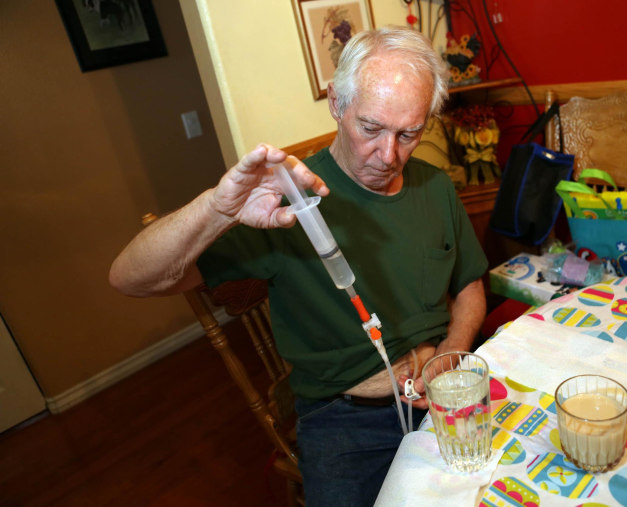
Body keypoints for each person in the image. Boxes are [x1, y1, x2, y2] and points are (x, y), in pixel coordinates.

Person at [110, 25, 487, 506]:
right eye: (370, 128)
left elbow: (471, 286)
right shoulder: (285, 203)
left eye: (408, 134)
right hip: (346, 420)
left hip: (441, 390)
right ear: (336, 103)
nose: (388, 156)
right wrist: (217, 209)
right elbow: (130, 278)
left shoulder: (435, 187)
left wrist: (450, 354)